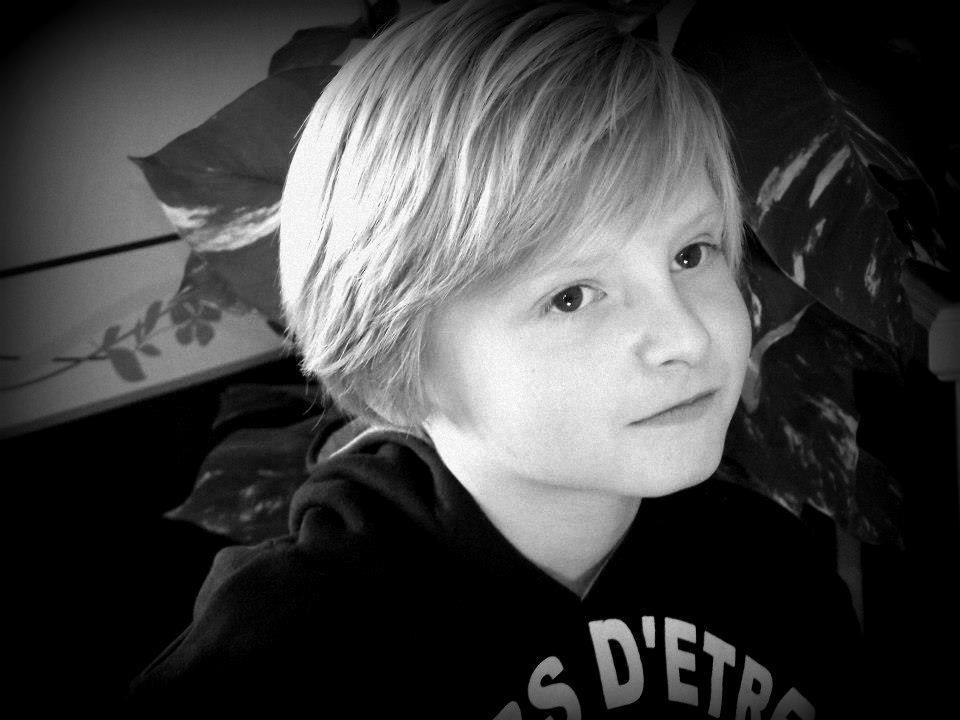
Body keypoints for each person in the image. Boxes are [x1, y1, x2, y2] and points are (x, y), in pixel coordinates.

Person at [127, 0, 863, 716]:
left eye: (692, 253)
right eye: (571, 296)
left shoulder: (771, 570)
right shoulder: (285, 662)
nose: (687, 337)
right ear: (395, 365)